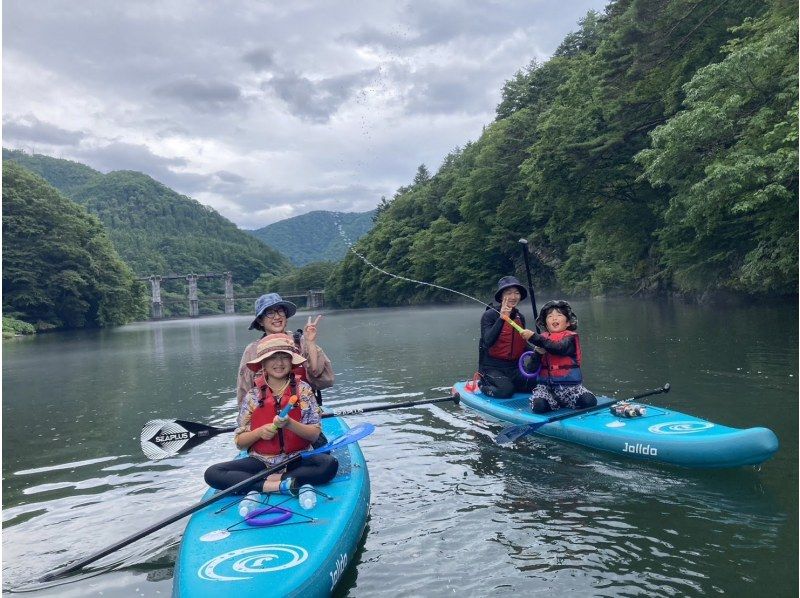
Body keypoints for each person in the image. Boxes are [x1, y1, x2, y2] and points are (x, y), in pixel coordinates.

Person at [205, 333, 338, 494]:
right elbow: (240, 442)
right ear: (263, 363)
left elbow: (314, 435)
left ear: (291, 361)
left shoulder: (304, 390)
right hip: (261, 462)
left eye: (284, 357)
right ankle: (277, 485)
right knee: (213, 473)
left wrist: (290, 424)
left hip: (297, 459)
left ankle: (263, 482)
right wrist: (259, 432)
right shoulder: (252, 396)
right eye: (272, 358)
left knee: (328, 464)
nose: (279, 363)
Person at [237, 293, 334, 409]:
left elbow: (324, 380)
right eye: (270, 313)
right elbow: (244, 392)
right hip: (268, 419)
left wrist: (311, 343)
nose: (277, 317)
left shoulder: (301, 341)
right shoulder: (252, 351)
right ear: (260, 321)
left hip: (304, 413)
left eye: (280, 311)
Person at [523, 299, 597, 414]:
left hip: (571, 389)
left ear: (568, 322)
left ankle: (567, 404)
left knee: (589, 401)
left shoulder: (570, 338)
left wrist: (534, 337)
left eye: (559, 315)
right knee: (539, 406)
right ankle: (550, 404)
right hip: (547, 390)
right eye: (550, 316)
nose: (554, 318)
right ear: (545, 323)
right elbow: (530, 369)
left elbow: (559, 348)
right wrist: (538, 354)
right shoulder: (542, 341)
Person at [478, 276, 537, 398]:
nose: (513, 297)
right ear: (501, 296)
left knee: (539, 384)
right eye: (509, 293)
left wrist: (538, 351)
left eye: (516, 293)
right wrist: (502, 318)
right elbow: (487, 341)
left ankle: (510, 383)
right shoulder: (489, 315)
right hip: (492, 368)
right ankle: (483, 384)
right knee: (506, 391)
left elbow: (522, 344)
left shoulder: (520, 317)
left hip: (515, 368)